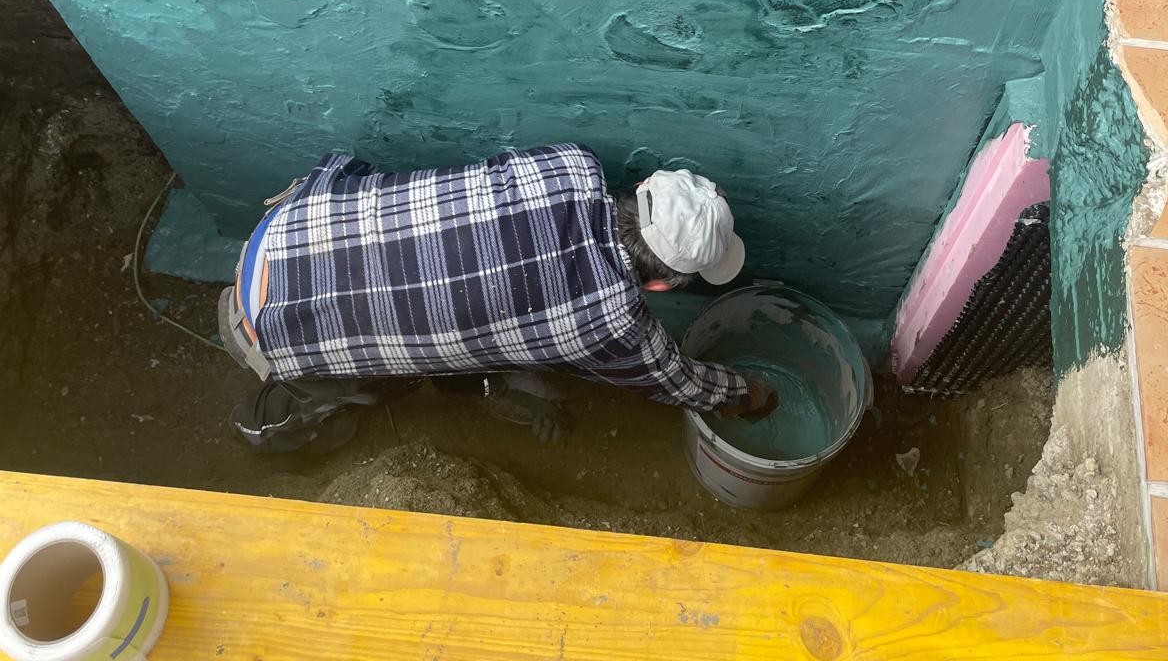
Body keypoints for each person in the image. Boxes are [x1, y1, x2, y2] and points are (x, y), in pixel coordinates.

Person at [217, 142, 778, 453]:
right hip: (268, 326)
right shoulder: (614, 323)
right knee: (373, 387)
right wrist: (750, 396)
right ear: (658, 285)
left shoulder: (569, 164)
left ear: (640, 190)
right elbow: (677, 382)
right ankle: (268, 428)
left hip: (285, 228)